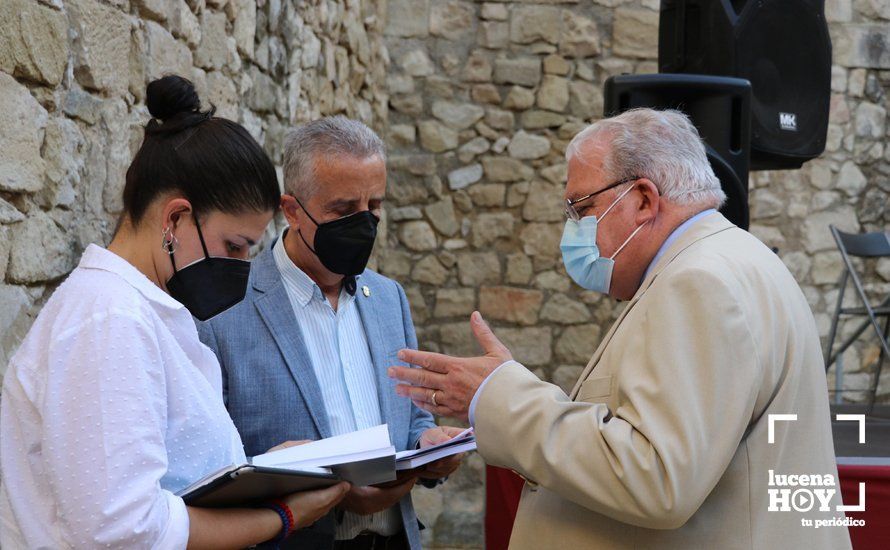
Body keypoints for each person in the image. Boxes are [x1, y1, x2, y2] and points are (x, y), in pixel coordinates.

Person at [389, 109, 852, 549]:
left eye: (580, 207)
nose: (573, 229)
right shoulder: (735, 259)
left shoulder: (699, 282)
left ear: (644, 200)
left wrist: (500, 396)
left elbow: (656, 477)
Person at [0, 76, 349, 549]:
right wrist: (283, 515)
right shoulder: (110, 320)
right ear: (175, 219)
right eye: (235, 245)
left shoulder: (140, 310)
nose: (243, 266)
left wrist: (264, 469)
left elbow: (165, 478)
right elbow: (124, 530)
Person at [199, 116, 463, 550]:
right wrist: (304, 483)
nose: (363, 224)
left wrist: (428, 444)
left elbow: (413, 415)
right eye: (343, 210)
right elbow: (208, 468)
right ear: (291, 210)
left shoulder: (389, 297)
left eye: (373, 207)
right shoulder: (223, 309)